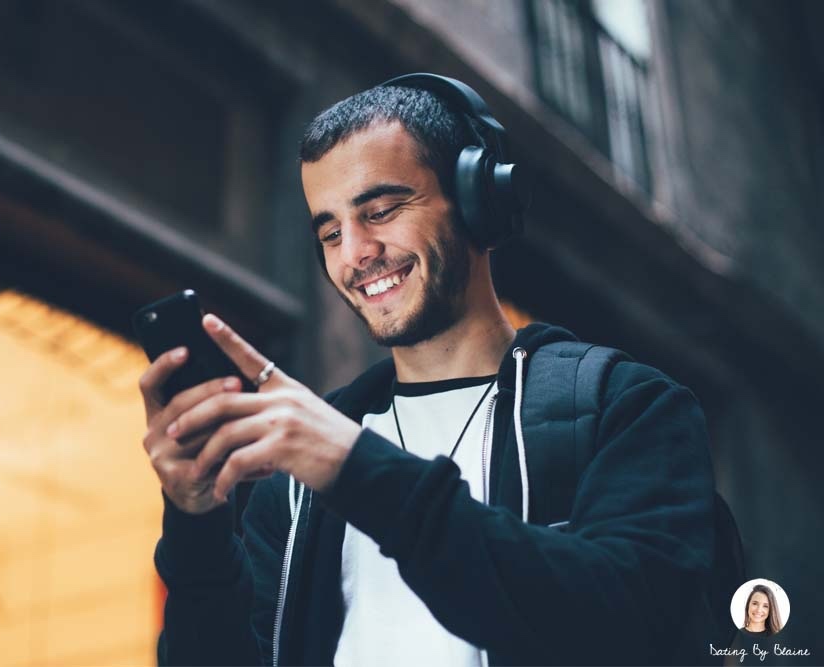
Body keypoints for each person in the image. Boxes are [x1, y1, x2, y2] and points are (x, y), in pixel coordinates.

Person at [140, 76, 716, 665]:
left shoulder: (627, 407)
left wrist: (353, 466)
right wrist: (198, 526)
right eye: (331, 232)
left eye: (382, 210)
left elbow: (628, 623)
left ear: (477, 201)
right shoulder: (294, 486)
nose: (354, 254)